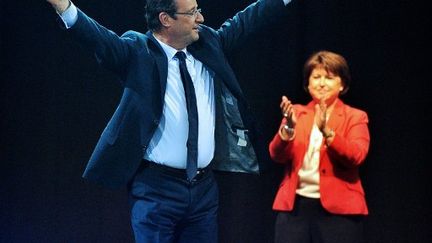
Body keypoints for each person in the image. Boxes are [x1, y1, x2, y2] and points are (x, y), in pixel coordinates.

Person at [46, 0, 295, 242]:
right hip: (156, 189)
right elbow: (98, 38)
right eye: (192, 12)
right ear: (166, 19)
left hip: (203, 190)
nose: (201, 18)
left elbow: (248, 20)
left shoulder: (208, 43)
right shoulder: (138, 51)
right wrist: (64, 7)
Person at [269, 50, 370, 243]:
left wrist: (327, 131)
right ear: (308, 83)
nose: (322, 83)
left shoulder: (355, 117)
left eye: (329, 77)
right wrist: (288, 128)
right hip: (295, 209)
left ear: (342, 84)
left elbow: (356, 155)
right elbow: (277, 155)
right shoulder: (296, 113)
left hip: (340, 213)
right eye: (316, 77)